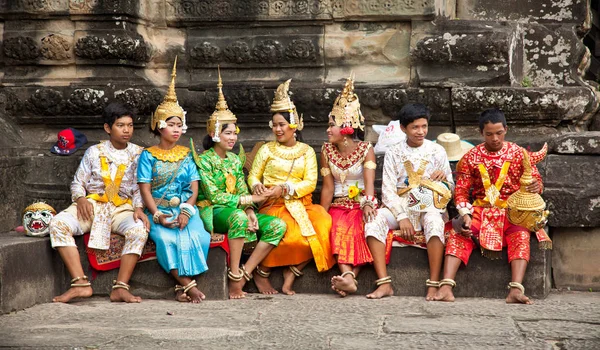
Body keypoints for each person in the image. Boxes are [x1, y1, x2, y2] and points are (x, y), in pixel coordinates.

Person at [434, 108, 551, 304]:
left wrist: (536, 185)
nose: (495, 138)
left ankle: (515, 289)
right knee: (459, 232)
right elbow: (461, 191)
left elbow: (537, 183)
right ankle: (446, 286)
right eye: (489, 134)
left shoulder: (520, 154)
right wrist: (465, 214)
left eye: (499, 133)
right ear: (481, 133)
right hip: (480, 210)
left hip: (513, 211)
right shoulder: (470, 157)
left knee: (521, 235)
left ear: (506, 129)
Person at [192, 69, 286, 299]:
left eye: (235, 133)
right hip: (214, 211)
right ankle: (234, 278)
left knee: (277, 225)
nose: (233, 138)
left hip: (238, 209)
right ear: (215, 135)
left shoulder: (235, 160)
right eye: (228, 134)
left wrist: (251, 210)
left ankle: (246, 272)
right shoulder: (204, 160)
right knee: (237, 218)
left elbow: (243, 189)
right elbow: (214, 196)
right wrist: (249, 202)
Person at [48, 102, 149, 303]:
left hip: (122, 209)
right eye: (120, 125)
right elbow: (78, 182)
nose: (127, 130)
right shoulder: (94, 151)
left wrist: (139, 208)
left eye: (130, 125)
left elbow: (140, 187)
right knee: (58, 224)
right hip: (92, 207)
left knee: (139, 230)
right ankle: (80, 284)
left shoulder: (140, 154)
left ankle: (120, 287)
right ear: (107, 128)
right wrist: (81, 198)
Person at [248, 79, 335, 295]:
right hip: (273, 204)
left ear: (294, 125)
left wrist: (286, 188)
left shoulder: (306, 151)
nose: (277, 129)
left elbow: (310, 183)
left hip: (301, 204)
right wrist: (257, 186)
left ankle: (293, 272)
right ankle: (262, 272)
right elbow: (253, 176)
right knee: (290, 234)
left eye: (282, 124)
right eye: (274, 125)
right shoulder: (266, 149)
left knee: (324, 225)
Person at [137, 59, 210, 303]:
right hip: (158, 209)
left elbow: (194, 187)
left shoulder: (186, 155)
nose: (176, 129)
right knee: (167, 239)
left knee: (199, 237)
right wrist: (156, 214)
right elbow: (144, 189)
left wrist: (188, 212)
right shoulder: (148, 155)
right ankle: (188, 285)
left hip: (184, 208)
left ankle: (181, 288)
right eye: (171, 125)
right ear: (159, 127)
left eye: (179, 125)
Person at [364, 103, 454, 300]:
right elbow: (388, 191)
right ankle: (384, 283)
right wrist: (402, 216)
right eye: (415, 127)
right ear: (403, 128)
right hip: (401, 203)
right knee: (373, 222)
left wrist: (444, 178)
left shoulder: (437, 150)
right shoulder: (394, 152)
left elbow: (451, 187)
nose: (421, 131)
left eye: (424, 126)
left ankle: (433, 284)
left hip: (428, 203)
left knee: (434, 222)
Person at [319, 74, 378, 297]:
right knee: (334, 227)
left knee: (362, 227)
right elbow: (327, 187)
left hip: (361, 203)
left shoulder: (365, 149)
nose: (327, 130)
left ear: (346, 127)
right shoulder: (326, 151)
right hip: (337, 205)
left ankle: (347, 277)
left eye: (332, 125)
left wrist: (368, 204)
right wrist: (321, 214)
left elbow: (370, 184)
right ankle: (349, 277)